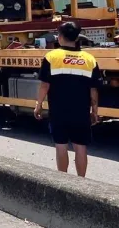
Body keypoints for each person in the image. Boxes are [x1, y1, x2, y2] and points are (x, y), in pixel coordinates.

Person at [34, 21, 100, 177]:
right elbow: (94, 89)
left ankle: (63, 182)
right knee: (80, 146)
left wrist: (38, 105)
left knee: (61, 146)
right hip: (81, 111)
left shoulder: (51, 56)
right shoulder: (89, 59)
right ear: (77, 37)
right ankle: (81, 182)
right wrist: (95, 111)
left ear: (60, 37)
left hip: (58, 111)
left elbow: (45, 85)